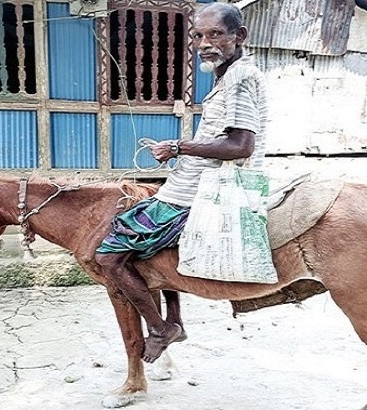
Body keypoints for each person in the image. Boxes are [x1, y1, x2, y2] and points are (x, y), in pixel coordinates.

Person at [95, 2, 269, 363]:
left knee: (108, 255)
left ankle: (161, 328)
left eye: (215, 34)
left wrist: (178, 146)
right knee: (146, 241)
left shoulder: (240, 79)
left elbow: (240, 145)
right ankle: (174, 319)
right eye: (198, 36)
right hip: (190, 184)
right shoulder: (228, 75)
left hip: (203, 190)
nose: (205, 43)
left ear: (240, 36)